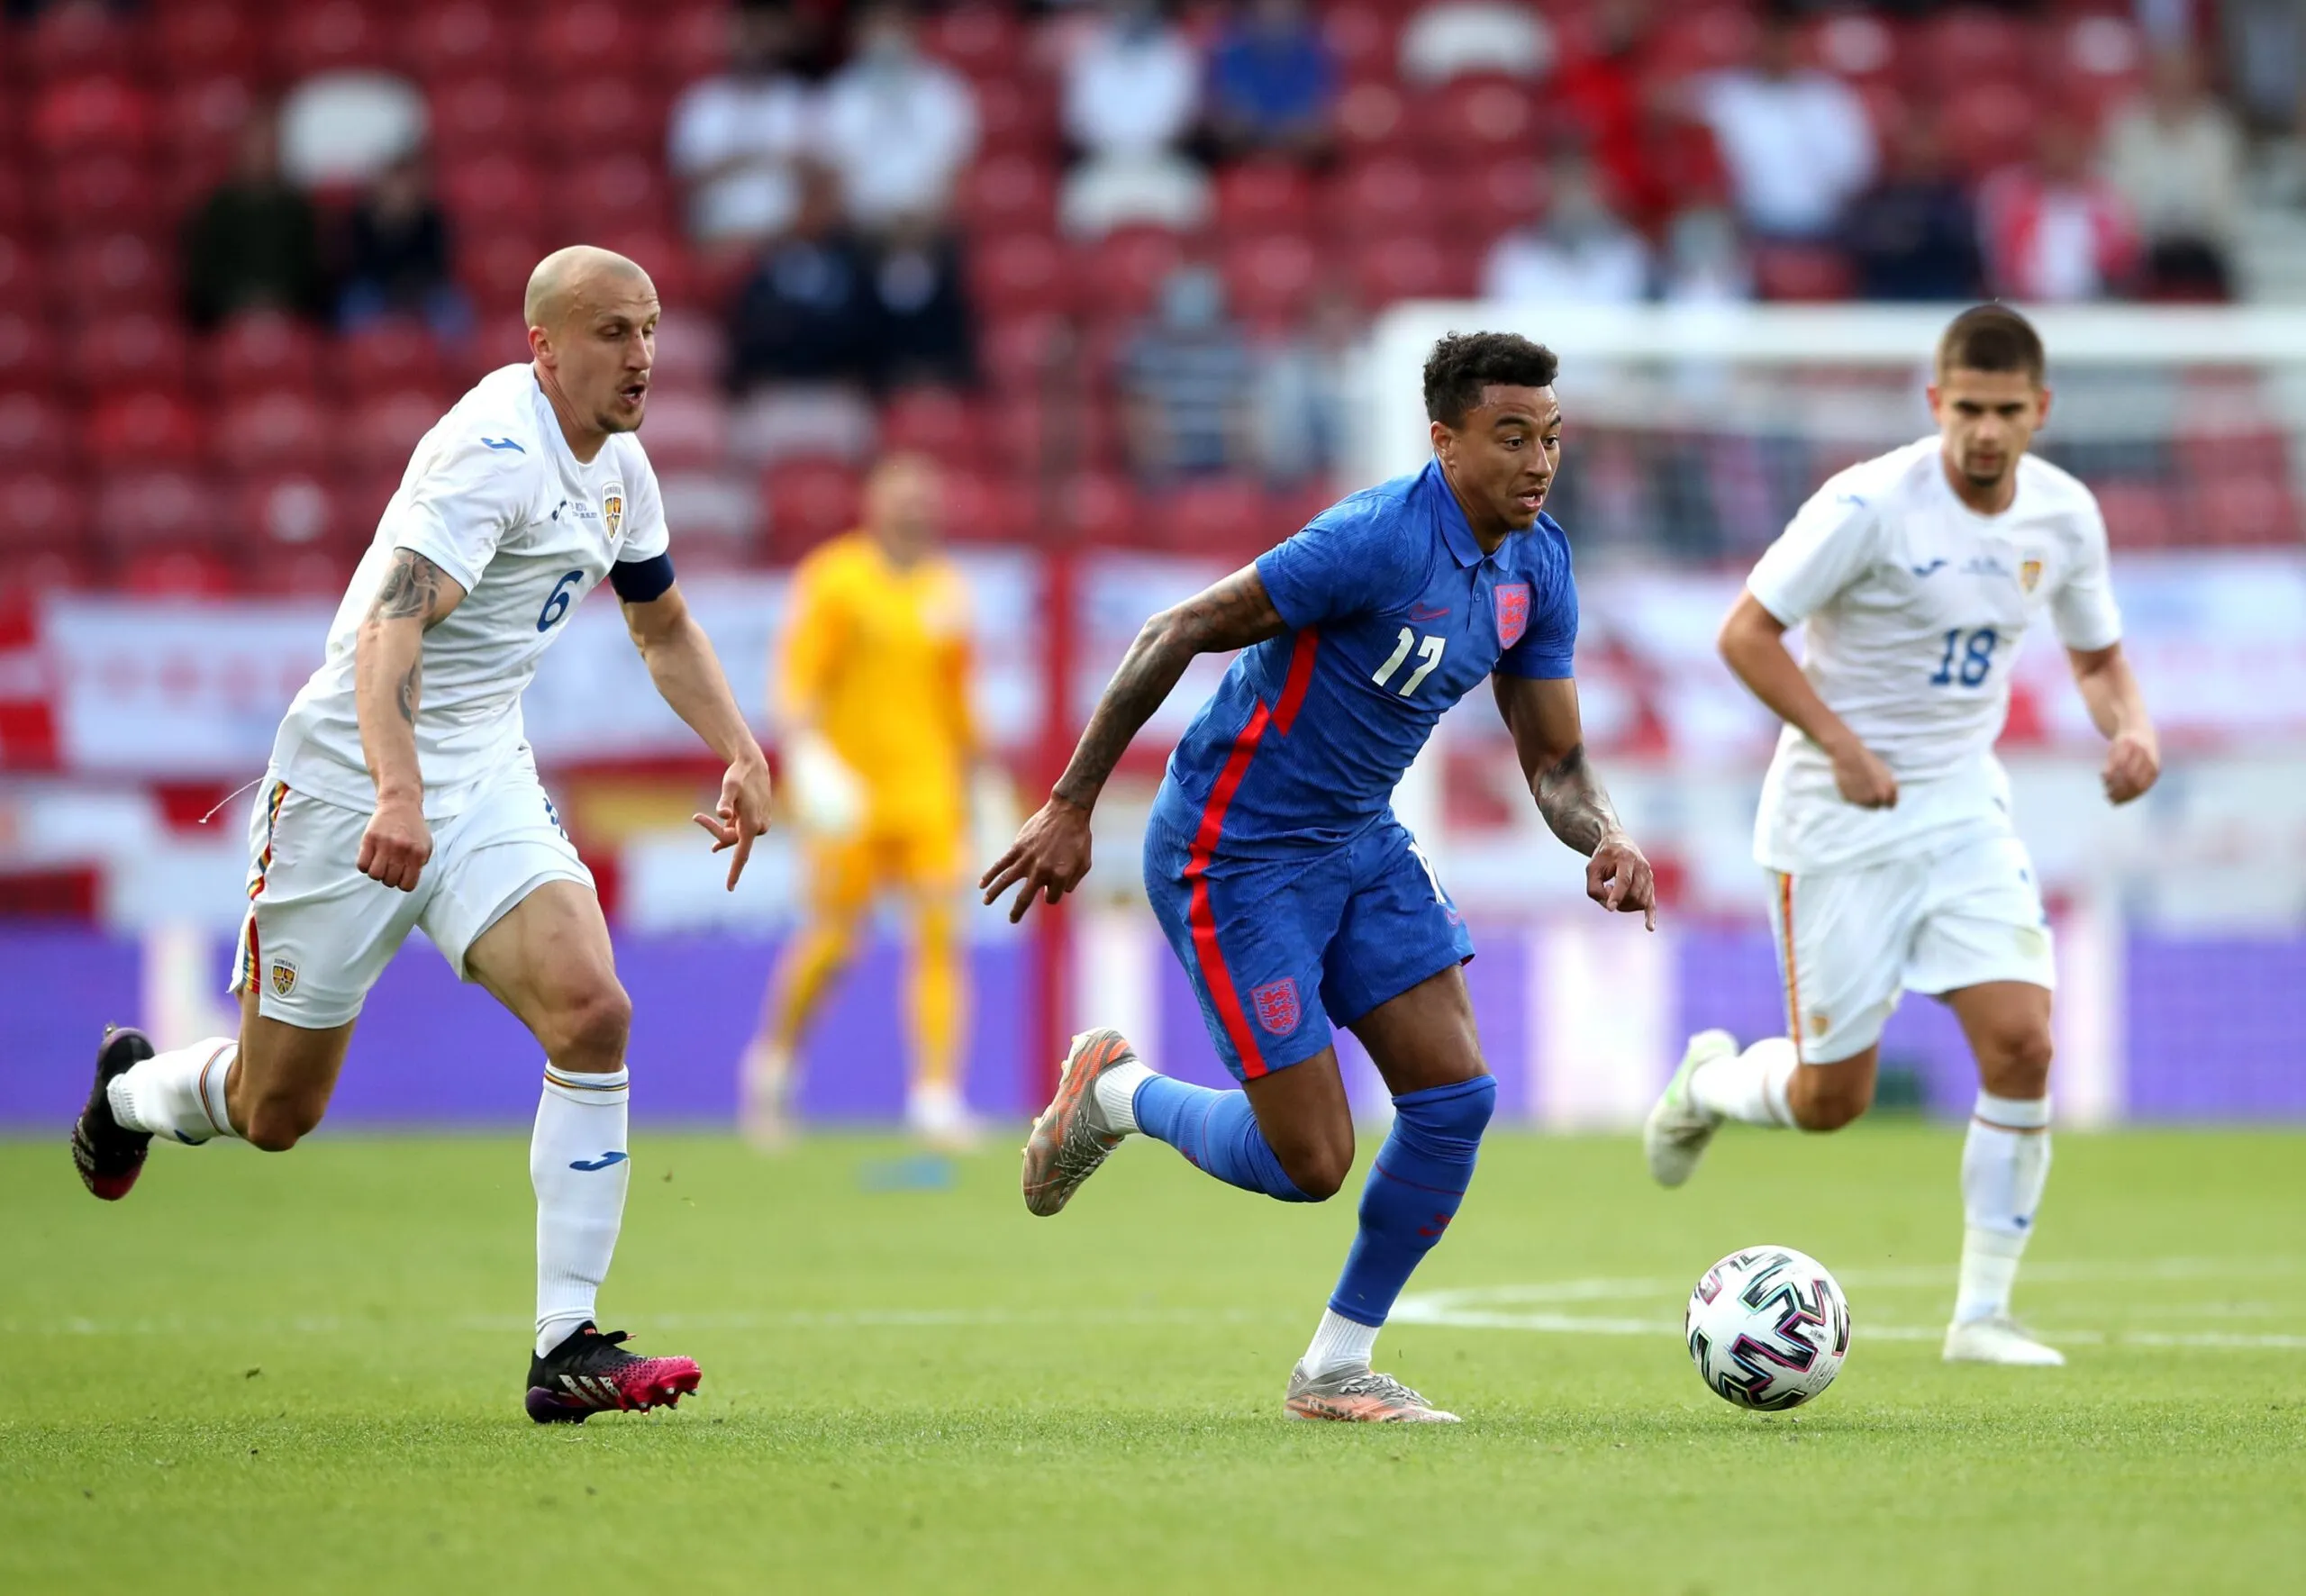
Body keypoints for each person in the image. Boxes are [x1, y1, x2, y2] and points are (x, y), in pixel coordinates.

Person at [70, 247, 776, 1423]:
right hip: (352, 779)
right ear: (543, 346)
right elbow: (387, 636)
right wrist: (397, 793)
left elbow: (661, 627)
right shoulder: (489, 456)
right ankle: (132, 1092)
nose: (641, 355)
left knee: (593, 1011)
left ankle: (568, 1345)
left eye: (649, 329)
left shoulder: (624, 473)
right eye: (611, 332)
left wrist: (743, 749)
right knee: (274, 1111)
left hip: (483, 772)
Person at [983, 331, 1659, 1422]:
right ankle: (1113, 1094)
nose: (1538, 461)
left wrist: (1607, 835)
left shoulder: (1540, 566)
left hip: (1355, 837)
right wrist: (1070, 802)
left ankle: (1336, 1365)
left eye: (1552, 438)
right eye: (1511, 437)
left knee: (1455, 1098)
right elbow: (1179, 626)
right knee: (1311, 1158)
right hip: (1232, 850)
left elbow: (1555, 759)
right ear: (1444, 441)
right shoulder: (1374, 538)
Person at [1643, 304, 2159, 1368]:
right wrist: (1836, 741)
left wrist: (2132, 727)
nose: (1984, 429)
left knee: (2024, 1043)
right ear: (1936, 404)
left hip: (1964, 807)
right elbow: (1744, 633)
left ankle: (1981, 1315)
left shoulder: (2063, 516)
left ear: (2039, 412)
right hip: (1838, 816)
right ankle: (1706, 1084)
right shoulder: (1868, 503)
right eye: (1966, 408)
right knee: (1834, 1099)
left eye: (2006, 411)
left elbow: (2098, 658)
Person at [740, 454, 981, 1150]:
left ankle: (935, 1095)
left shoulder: (947, 590)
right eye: (901, 498)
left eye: (924, 499)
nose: (915, 511)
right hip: (849, 794)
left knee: (940, 933)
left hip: (927, 790)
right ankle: (775, 1063)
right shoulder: (835, 580)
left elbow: (958, 695)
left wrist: (981, 779)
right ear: (873, 504)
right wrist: (809, 761)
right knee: (837, 941)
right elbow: (798, 683)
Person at [182, 109, 327, 331]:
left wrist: (278, 301)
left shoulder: (298, 209)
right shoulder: (217, 209)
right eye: (255, 146)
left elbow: (311, 269)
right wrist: (241, 303)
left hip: (289, 313)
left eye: (268, 146)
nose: (262, 154)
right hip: (228, 315)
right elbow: (206, 275)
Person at [338, 152, 470, 338]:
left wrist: (412, 285)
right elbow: (355, 265)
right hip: (376, 287)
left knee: (452, 310)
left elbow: (438, 264)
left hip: (423, 288)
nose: (399, 190)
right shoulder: (362, 219)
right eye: (393, 182)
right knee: (355, 304)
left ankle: (457, 365)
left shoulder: (431, 218)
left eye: (404, 183)